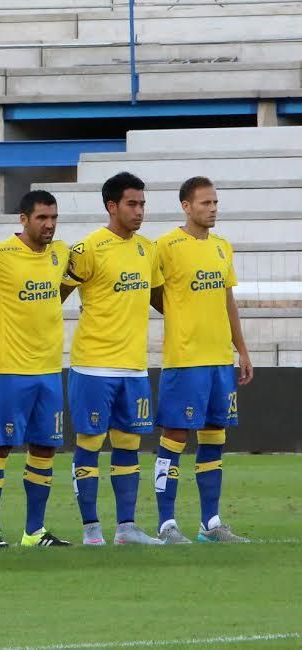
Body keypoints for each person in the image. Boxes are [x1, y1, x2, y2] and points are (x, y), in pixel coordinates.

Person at [61, 172, 164, 546]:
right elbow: (54, 296)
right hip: (93, 365)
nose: (139, 211)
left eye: (142, 204)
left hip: (134, 367)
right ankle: (91, 530)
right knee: (89, 444)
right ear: (112, 206)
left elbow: (162, 301)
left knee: (129, 446)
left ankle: (126, 528)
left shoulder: (148, 250)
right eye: (132, 204)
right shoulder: (87, 249)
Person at [151, 176, 252, 543]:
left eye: (215, 203)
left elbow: (228, 302)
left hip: (219, 359)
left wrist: (241, 349)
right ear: (186, 206)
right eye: (205, 203)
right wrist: (180, 316)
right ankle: (166, 524)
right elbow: (152, 292)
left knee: (214, 436)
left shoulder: (223, 247)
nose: (212, 209)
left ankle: (211, 523)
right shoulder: (166, 246)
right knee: (175, 436)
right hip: (185, 359)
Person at [0, 190, 71, 548]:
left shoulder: (61, 253)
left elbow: (66, 285)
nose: (49, 224)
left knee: (44, 448)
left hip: (49, 368)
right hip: (9, 370)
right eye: (42, 217)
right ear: (24, 219)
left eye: (53, 217)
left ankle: (35, 532)